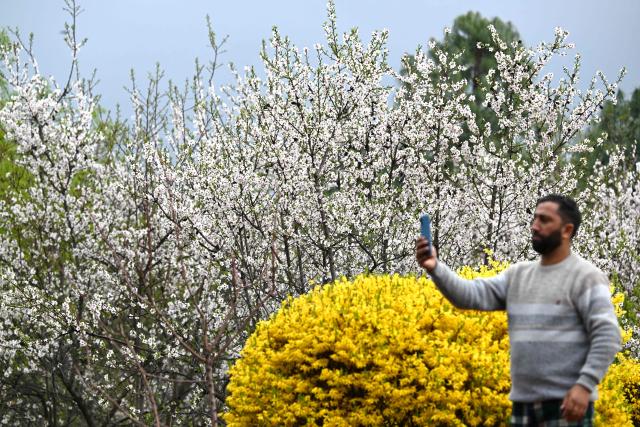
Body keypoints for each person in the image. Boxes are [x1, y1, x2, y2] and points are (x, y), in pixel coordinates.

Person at [415, 194, 621, 426]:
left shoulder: (586, 277)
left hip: (567, 405)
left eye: (544, 220)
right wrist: (435, 268)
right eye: (534, 219)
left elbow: (608, 335)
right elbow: (469, 295)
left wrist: (584, 386)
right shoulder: (519, 276)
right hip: (523, 405)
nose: (534, 226)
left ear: (566, 230)